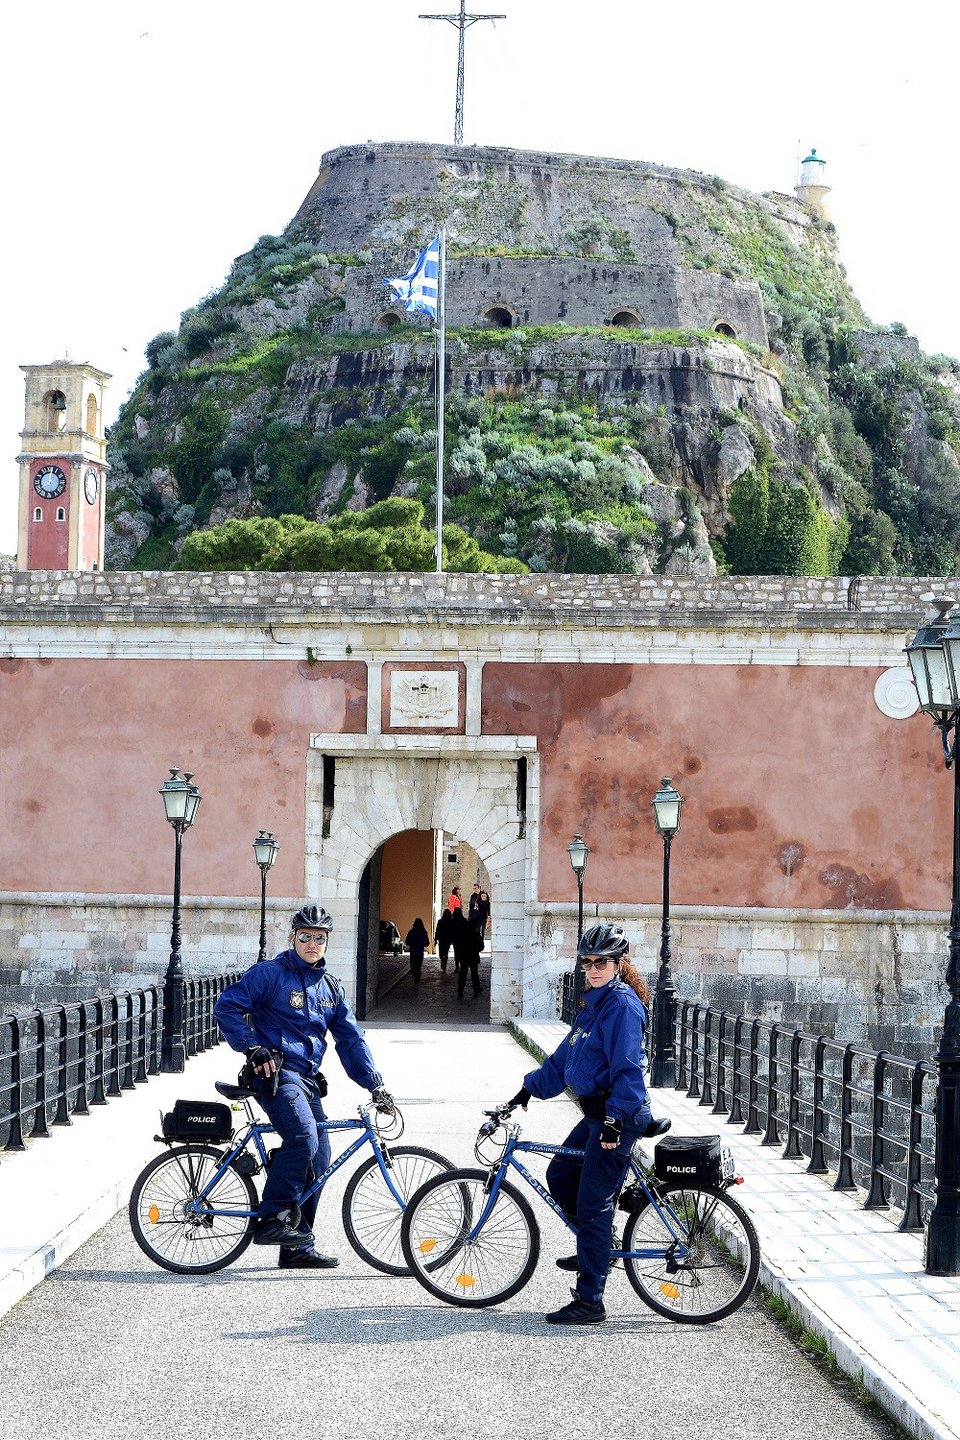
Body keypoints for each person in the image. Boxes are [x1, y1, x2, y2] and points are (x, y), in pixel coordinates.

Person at [214, 903, 394, 1271]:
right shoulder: (269, 974)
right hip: (276, 1075)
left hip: (307, 1081)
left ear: (327, 942)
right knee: (302, 1138)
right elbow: (227, 1006)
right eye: (306, 936)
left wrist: (374, 1085)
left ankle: (297, 1245)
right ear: (293, 938)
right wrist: (251, 1046)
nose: (312, 944)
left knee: (320, 1159)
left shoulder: (330, 987)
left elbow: (351, 1039)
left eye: (319, 938)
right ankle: (271, 1219)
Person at [505, 922, 664, 1326]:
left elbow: (629, 1070)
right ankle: (597, 1244)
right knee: (560, 1174)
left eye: (601, 963)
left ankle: (591, 1299)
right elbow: (565, 1057)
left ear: (618, 964)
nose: (592, 969)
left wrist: (614, 1122)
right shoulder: (595, 1004)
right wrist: (527, 1090)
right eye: (587, 962)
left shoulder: (622, 1007)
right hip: (597, 1114)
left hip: (616, 1117)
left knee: (593, 1205)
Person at [452, 907, 483, 998]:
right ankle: (476, 989)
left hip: (464, 956)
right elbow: (481, 947)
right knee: (474, 974)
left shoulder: (464, 935)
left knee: (463, 974)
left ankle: (460, 991)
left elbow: (460, 944)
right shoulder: (476, 935)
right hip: (473, 957)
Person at [405, 917, 429, 990]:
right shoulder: (423, 933)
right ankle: (416, 982)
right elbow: (427, 943)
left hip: (413, 952)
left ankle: (416, 981)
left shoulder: (411, 932)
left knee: (414, 967)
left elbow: (407, 941)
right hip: (419, 952)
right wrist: (422, 943)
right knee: (417, 967)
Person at [434, 907, 455, 973]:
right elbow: (453, 931)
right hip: (448, 939)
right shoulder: (451, 922)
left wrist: (435, 939)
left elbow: (437, 931)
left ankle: (443, 962)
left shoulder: (440, 921)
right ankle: (444, 964)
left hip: (441, 939)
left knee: (441, 952)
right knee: (446, 952)